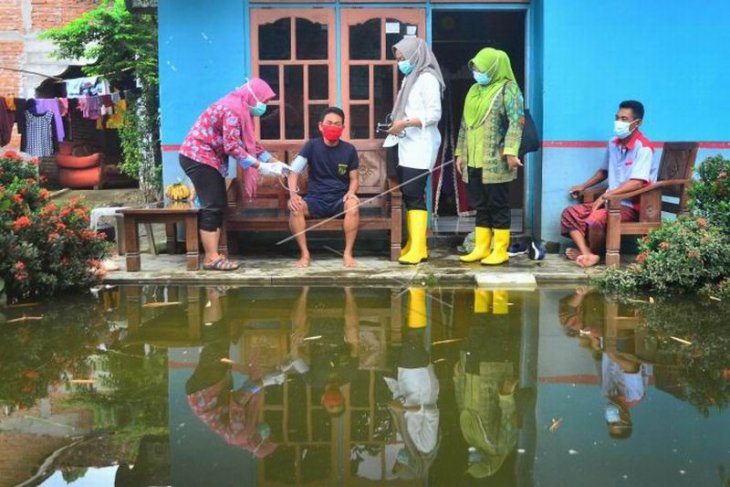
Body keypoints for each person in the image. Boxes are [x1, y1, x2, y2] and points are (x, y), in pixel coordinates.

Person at [179, 78, 287, 271]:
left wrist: (276, 163)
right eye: (265, 101)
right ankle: (211, 258)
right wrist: (260, 166)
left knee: (218, 204)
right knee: (212, 206)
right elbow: (232, 147)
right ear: (254, 96)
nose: (265, 106)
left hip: (207, 159)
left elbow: (251, 145)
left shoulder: (240, 109)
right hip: (198, 156)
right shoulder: (233, 109)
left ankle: (215, 255)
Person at [561, 100, 654, 268]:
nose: (619, 123)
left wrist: (607, 195)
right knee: (570, 213)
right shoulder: (613, 143)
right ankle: (587, 253)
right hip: (609, 200)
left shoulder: (644, 148)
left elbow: (637, 183)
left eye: (624, 119)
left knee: (595, 218)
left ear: (637, 123)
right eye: (617, 118)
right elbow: (604, 171)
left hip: (630, 206)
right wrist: (584, 186)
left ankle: (593, 254)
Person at [456, 48, 525, 266]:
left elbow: (517, 121)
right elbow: (464, 123)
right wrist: (459, 152)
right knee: (480, 205)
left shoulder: (508, 89)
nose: (477, 72)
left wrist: (511, 151)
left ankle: (500, 249)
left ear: (494, 67)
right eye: (475, 67)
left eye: (481, 68)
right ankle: (481, 247)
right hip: (473, 158)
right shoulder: (474, 90)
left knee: (498, 204)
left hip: (496, 159)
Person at [384, 37, 444, 265]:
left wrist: (406, 123)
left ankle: (419, 248)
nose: (400, 63)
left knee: (414, 193)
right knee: (410, 195)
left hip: (420, 145)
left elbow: (434, 114)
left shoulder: (428, 78)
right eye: (398, 60)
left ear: (416, 56)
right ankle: (415, 243)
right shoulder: (411, 78)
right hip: (405, 144)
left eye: (403, 58)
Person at [288, 107, 360, 268]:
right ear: (321, 126)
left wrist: (350, 192)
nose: (333, 127)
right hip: (315, 200)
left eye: (337, 124)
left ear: (343, 127)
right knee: (295, 208)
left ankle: (347, 254)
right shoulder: (311, 146)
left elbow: (354, 179)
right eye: (329, 123)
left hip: (339, 200)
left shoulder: (349, 150)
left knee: (353, 206)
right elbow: (293, 173)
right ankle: (305, 255)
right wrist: (293, 195)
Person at [384, 287, 440, 480]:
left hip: (407, 378)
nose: (399, 460)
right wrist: (404, 408)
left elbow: (399, 399)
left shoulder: (409, 443)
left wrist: (390, 381)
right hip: (419, 381)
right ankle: (417, 292)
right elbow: (432, 413)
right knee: (413, 336)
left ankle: (415, 293)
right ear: (413, 465)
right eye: (401, 464)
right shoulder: (425, 446)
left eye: (397, 462)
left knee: (410, 335)